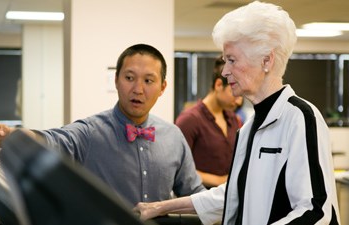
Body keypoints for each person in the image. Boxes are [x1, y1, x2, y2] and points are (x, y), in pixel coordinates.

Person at [133, 2, 341, 225]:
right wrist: (160, 206)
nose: (224, 71)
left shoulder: (300, 117)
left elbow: (315, 211)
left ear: (266, 60)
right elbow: (235, 195)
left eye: (231, 60)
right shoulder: (249, 128)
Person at [0, 43, 206, 207]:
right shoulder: (90, 132)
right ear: (117, 80)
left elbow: (194, 195)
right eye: (129, 77)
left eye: (149, 80)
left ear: (162, 87)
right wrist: (6, 134)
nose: (138, 89)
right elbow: (50, 139)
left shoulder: (174, 137)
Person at [175, 57, 241, 188]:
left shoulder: (233, 119)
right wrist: (220, 181)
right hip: (198, 200)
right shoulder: (189, 120)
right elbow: (178, 168)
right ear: (218, 85)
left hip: (226, 201)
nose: (239, 101)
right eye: (234, 92)